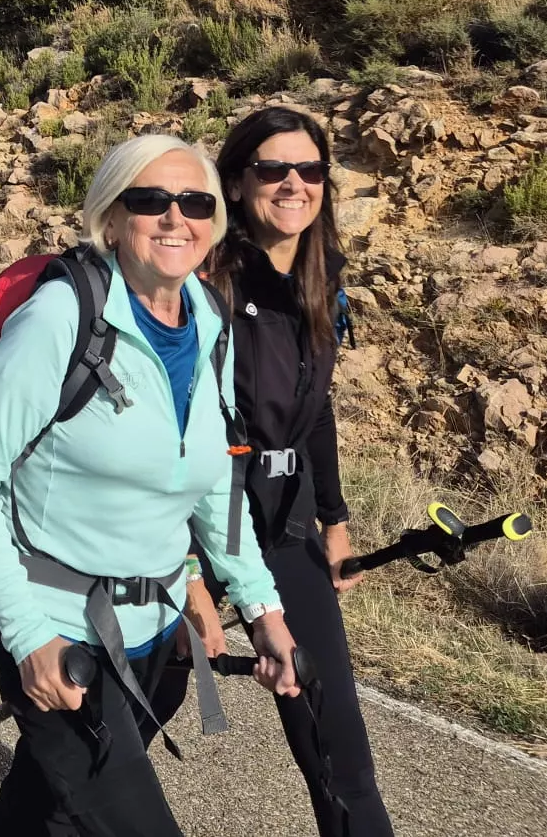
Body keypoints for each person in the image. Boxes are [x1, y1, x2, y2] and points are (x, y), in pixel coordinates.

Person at [0, 133, 301, 836]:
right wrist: (25, 635)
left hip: (154, 626)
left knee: (42, 807)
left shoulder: (209, 322)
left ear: (214, 222)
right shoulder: (60, 318)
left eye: (194, 201)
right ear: (111, 218)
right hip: (56, 625)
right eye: (150, 200)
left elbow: (212, 481)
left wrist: (260, 606)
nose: (176, 218)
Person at [197, 107, 393, 837]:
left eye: (308, 170)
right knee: (111, 725)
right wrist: (189, 574)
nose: (293, 184)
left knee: (341, 752)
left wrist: (334, 522)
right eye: (272, 169)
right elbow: (179, 437)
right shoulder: (209, 283)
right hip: (199, 523)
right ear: (239, 182)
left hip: (286, 523)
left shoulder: (319, 278)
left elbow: (315, 409)